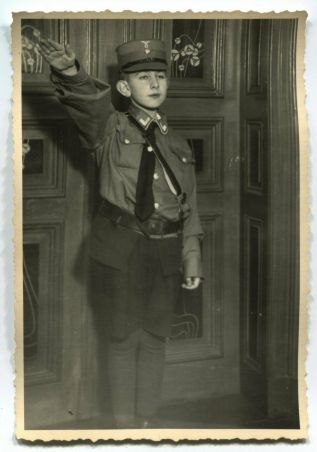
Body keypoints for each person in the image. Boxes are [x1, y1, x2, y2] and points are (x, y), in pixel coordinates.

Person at [37, 37, 203, 428]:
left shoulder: (178, 144)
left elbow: (190, 207)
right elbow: (87, 101)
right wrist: (69, 71)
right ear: (125, 87)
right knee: (124, 338)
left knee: (154, 338)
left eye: (160, 76)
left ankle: (145, 423)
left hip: (165, 250)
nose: (155, 84)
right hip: (121, 248)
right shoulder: (109, 129)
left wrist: (191, 257)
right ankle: (123, 426)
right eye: (144, 77)